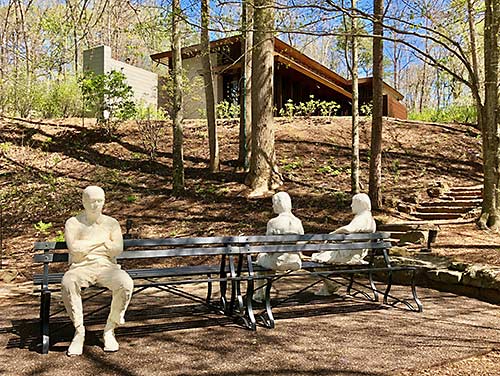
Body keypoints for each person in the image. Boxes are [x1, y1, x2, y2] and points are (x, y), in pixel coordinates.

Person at [61, 186, 134, 356]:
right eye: (92, 201)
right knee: (68, 283)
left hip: (107, 267)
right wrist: (102, 242)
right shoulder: (73, 223)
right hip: (81, 267)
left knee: (125, 283)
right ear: (84, 202)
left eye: (99, 201)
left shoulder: (111, 223)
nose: (96, 205)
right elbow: (76, 251)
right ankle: (79, 332)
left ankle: (110, 329)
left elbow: (117, 249)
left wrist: (88, 246)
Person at [312, 193, 376, 295]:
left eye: (353, 203)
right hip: (357, 252)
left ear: (360, 204)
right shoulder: (370, 219)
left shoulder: (362, 218)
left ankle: (330, 285)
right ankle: (329, 286)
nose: (351, 206)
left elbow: (348, 229)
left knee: (316, 261)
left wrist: (334, 233)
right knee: (322, 256)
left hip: (349, 255)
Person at [253, 192, 304, 302]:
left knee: (262, 258)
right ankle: (262, 293)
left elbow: (269, 247)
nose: (272, 206)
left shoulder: (273, 222)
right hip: (296, 262)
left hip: (278, 262)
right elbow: (301, 245)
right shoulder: (298, 222)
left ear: (278, 204)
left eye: (273, 203)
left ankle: (260, 294)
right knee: (268, 259)